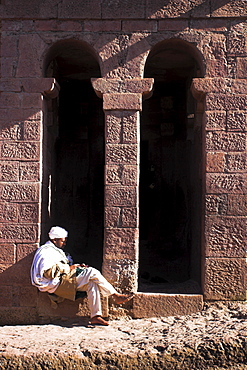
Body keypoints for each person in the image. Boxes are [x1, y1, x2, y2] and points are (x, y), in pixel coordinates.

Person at [31, 226, 134, 326]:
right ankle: (115, 295)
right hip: (55, 284)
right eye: (63, 241)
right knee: (91, 271)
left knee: (92, 283)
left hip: (63, 281)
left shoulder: (56, 251)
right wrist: (69, 268)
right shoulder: (46, 251)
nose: (64, 243)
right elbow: (48, 273)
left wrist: (76, 267)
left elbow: (62, 266)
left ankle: (95, 316)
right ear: (54, 240)